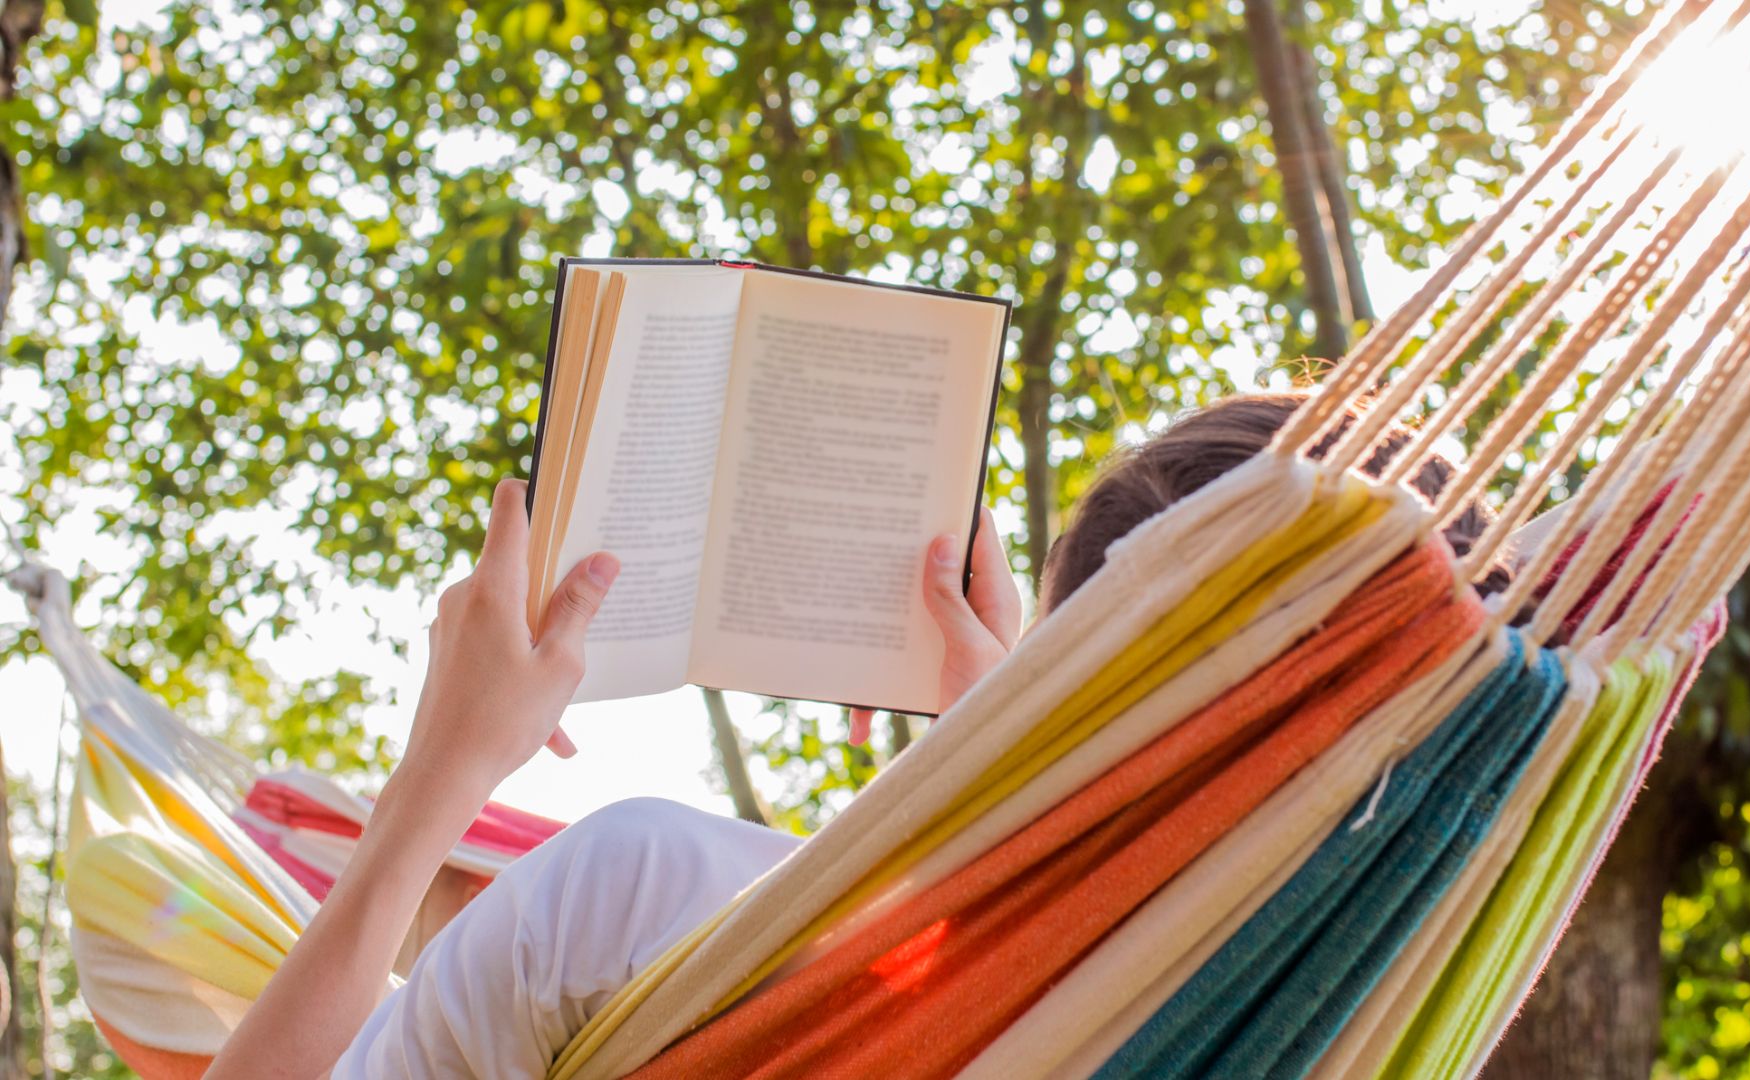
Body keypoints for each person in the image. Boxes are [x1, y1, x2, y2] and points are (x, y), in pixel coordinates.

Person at [206, 391, 1492, 1079]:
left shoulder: (653, 906)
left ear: (1067, 678)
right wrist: (990, 774)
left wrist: (438, 778)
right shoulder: (1369, 1018)